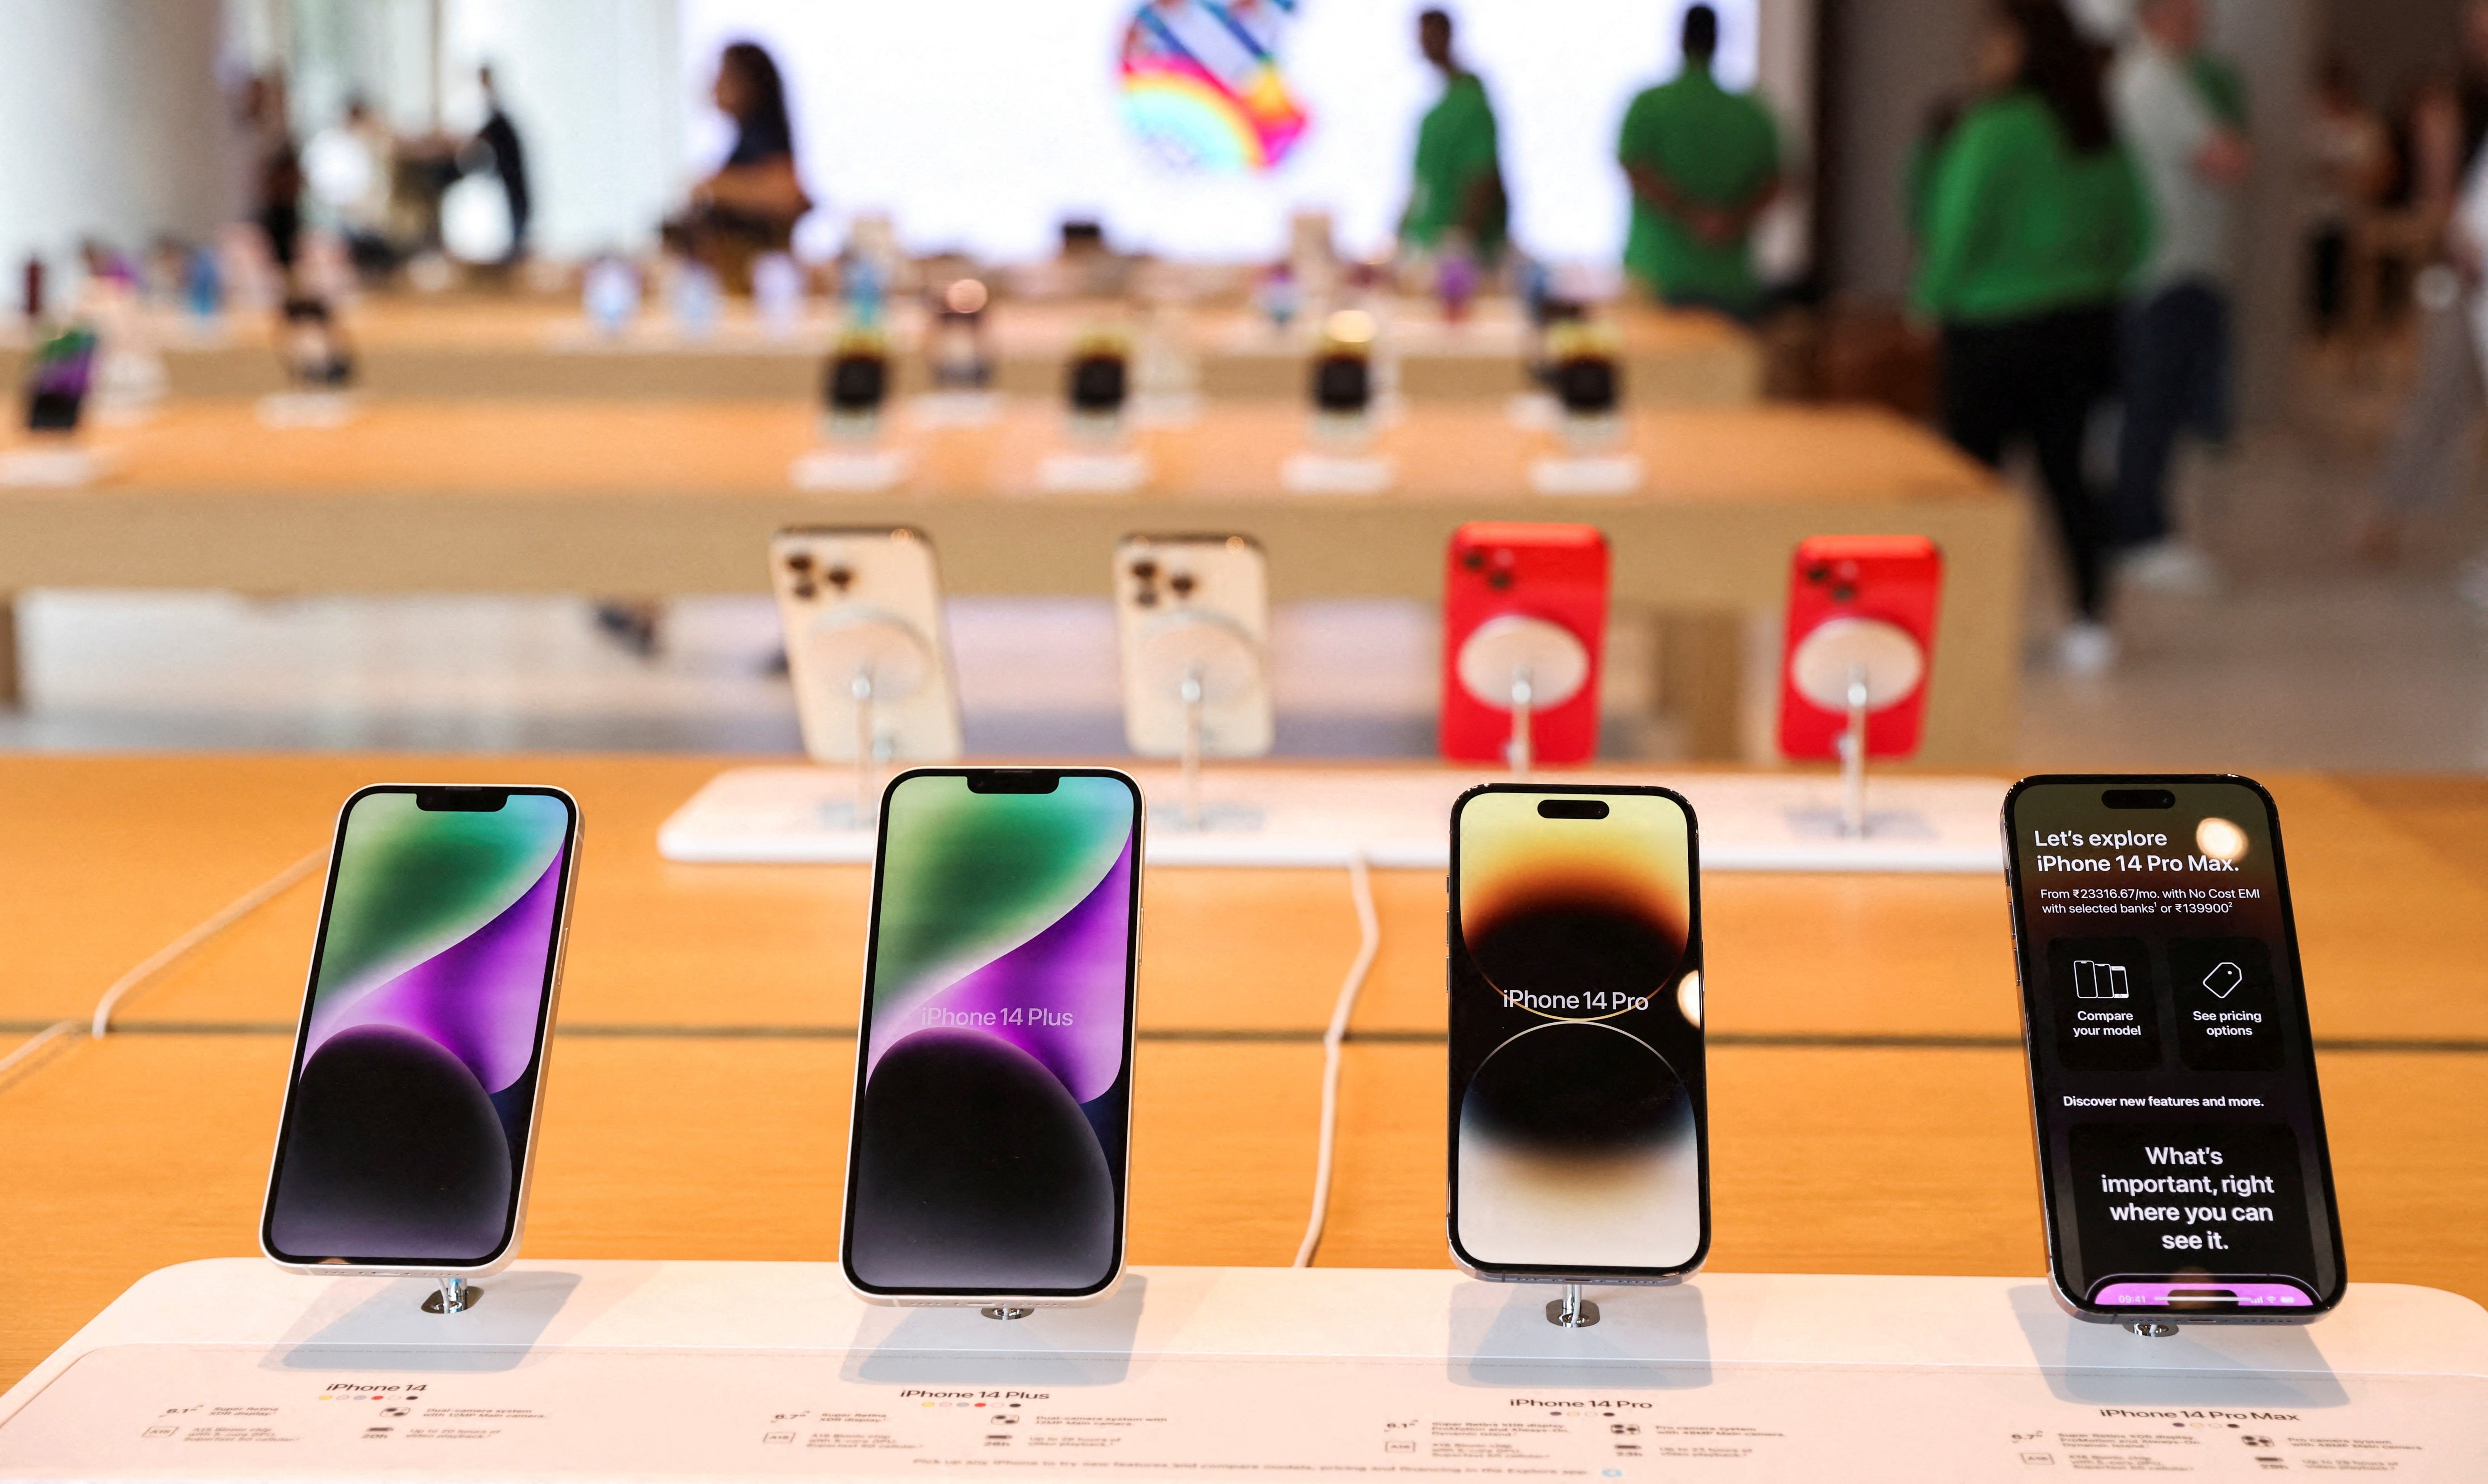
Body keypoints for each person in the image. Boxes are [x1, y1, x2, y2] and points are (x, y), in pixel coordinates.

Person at [1913, 0, 2148, 674]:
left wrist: (1929, 302)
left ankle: (1962, 625)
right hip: (2080, 325)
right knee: (2070, 477)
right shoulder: (2094, 127)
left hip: (1991, 329)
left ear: (2019, 45)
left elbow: (1957, 226)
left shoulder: (1994, 127)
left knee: (1971, 485)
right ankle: (2090, 622)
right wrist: (2091, 280)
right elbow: (2139, 231)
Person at [2106, 0, 2250, 594]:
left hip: (2171, 266)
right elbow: (2224, 158)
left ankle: (2139, 525)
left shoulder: (2163, 75)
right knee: (2153, 407)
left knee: (2156, 405)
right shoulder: (2153, 79)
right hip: (2165, 267)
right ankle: (2139, 532)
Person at [2370, 2, 2488, 569]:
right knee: (2437, 395)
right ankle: (2389, 513)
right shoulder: (2450, 104)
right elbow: (2439, 199)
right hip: (2462, 276)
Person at [1615, 4, 1781, 319]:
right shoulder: (1751, 112)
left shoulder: (1650, 105)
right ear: (1719, 42)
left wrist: (1689, 214)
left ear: (1681, 40)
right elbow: (1776, 181)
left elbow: (1636, 169)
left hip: (1658, 275)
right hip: (1729, 281)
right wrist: (1728, 220)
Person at [666, 41, 812, 293]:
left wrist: (716, 186)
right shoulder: (745, 138)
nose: (714, 85)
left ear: (747, 83)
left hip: (758, 283)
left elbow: (788, 194)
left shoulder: (765, 136)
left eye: (723, 75)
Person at [1398, 9, 1507, 266]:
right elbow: (1422, 183)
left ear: (1447, 35)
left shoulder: (1471, 104)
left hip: (1463, 256)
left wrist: (1460, 241)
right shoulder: (1436, 113)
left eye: (1429, 34)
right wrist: (1400, 233)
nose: (1424, 42)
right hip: (1426, 245)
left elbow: (1483, 176)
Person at [469, 66, 532, 263]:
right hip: (507, 169)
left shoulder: (496, 108)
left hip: (512, 169)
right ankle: (517, 247)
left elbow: (494, 129)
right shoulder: (491, 107)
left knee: (518, 206)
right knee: (516, 207)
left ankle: (518, 249)